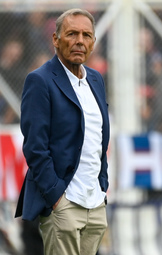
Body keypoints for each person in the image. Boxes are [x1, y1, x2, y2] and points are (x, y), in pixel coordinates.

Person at [15, 9, 110, 255]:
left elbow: (99, 139)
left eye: (86, 35)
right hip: (64, 205)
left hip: (95, 203)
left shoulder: (96, 80)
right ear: (56, 40)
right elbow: (35, 147)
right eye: (72, 34)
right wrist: (57, 198)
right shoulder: (40, 80)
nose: (80, 41)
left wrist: (102, 186)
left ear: (93, 43)